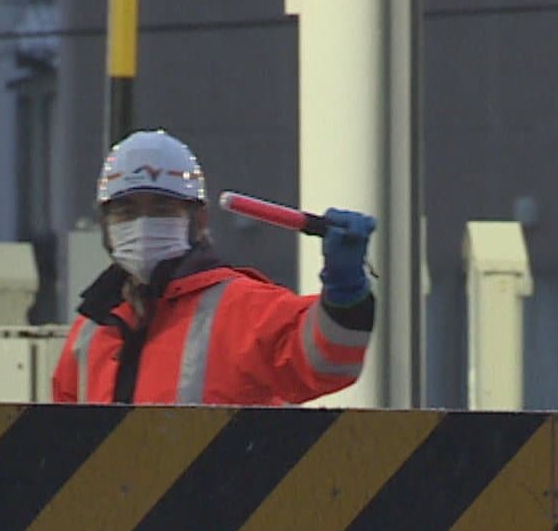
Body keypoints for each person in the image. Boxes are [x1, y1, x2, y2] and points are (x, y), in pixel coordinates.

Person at [52, 129, 377, 405]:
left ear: (200, 219)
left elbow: (331, 362)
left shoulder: (244, 309)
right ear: (105, 223)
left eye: (162, 207)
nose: (143, 223)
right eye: (126, 210)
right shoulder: (90, 330)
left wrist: (345, 291)